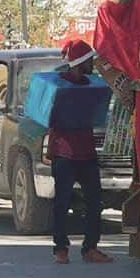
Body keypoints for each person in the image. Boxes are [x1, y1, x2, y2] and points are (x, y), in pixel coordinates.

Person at [49, 40, 112, 265]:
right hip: (64, 153)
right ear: (80, 63)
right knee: (62, 202)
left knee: (95, 202)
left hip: (87, 152)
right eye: (89, 60)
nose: (93, 64)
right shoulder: (59, 86)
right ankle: (60, 249)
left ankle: (90, 248)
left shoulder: (91, 85)